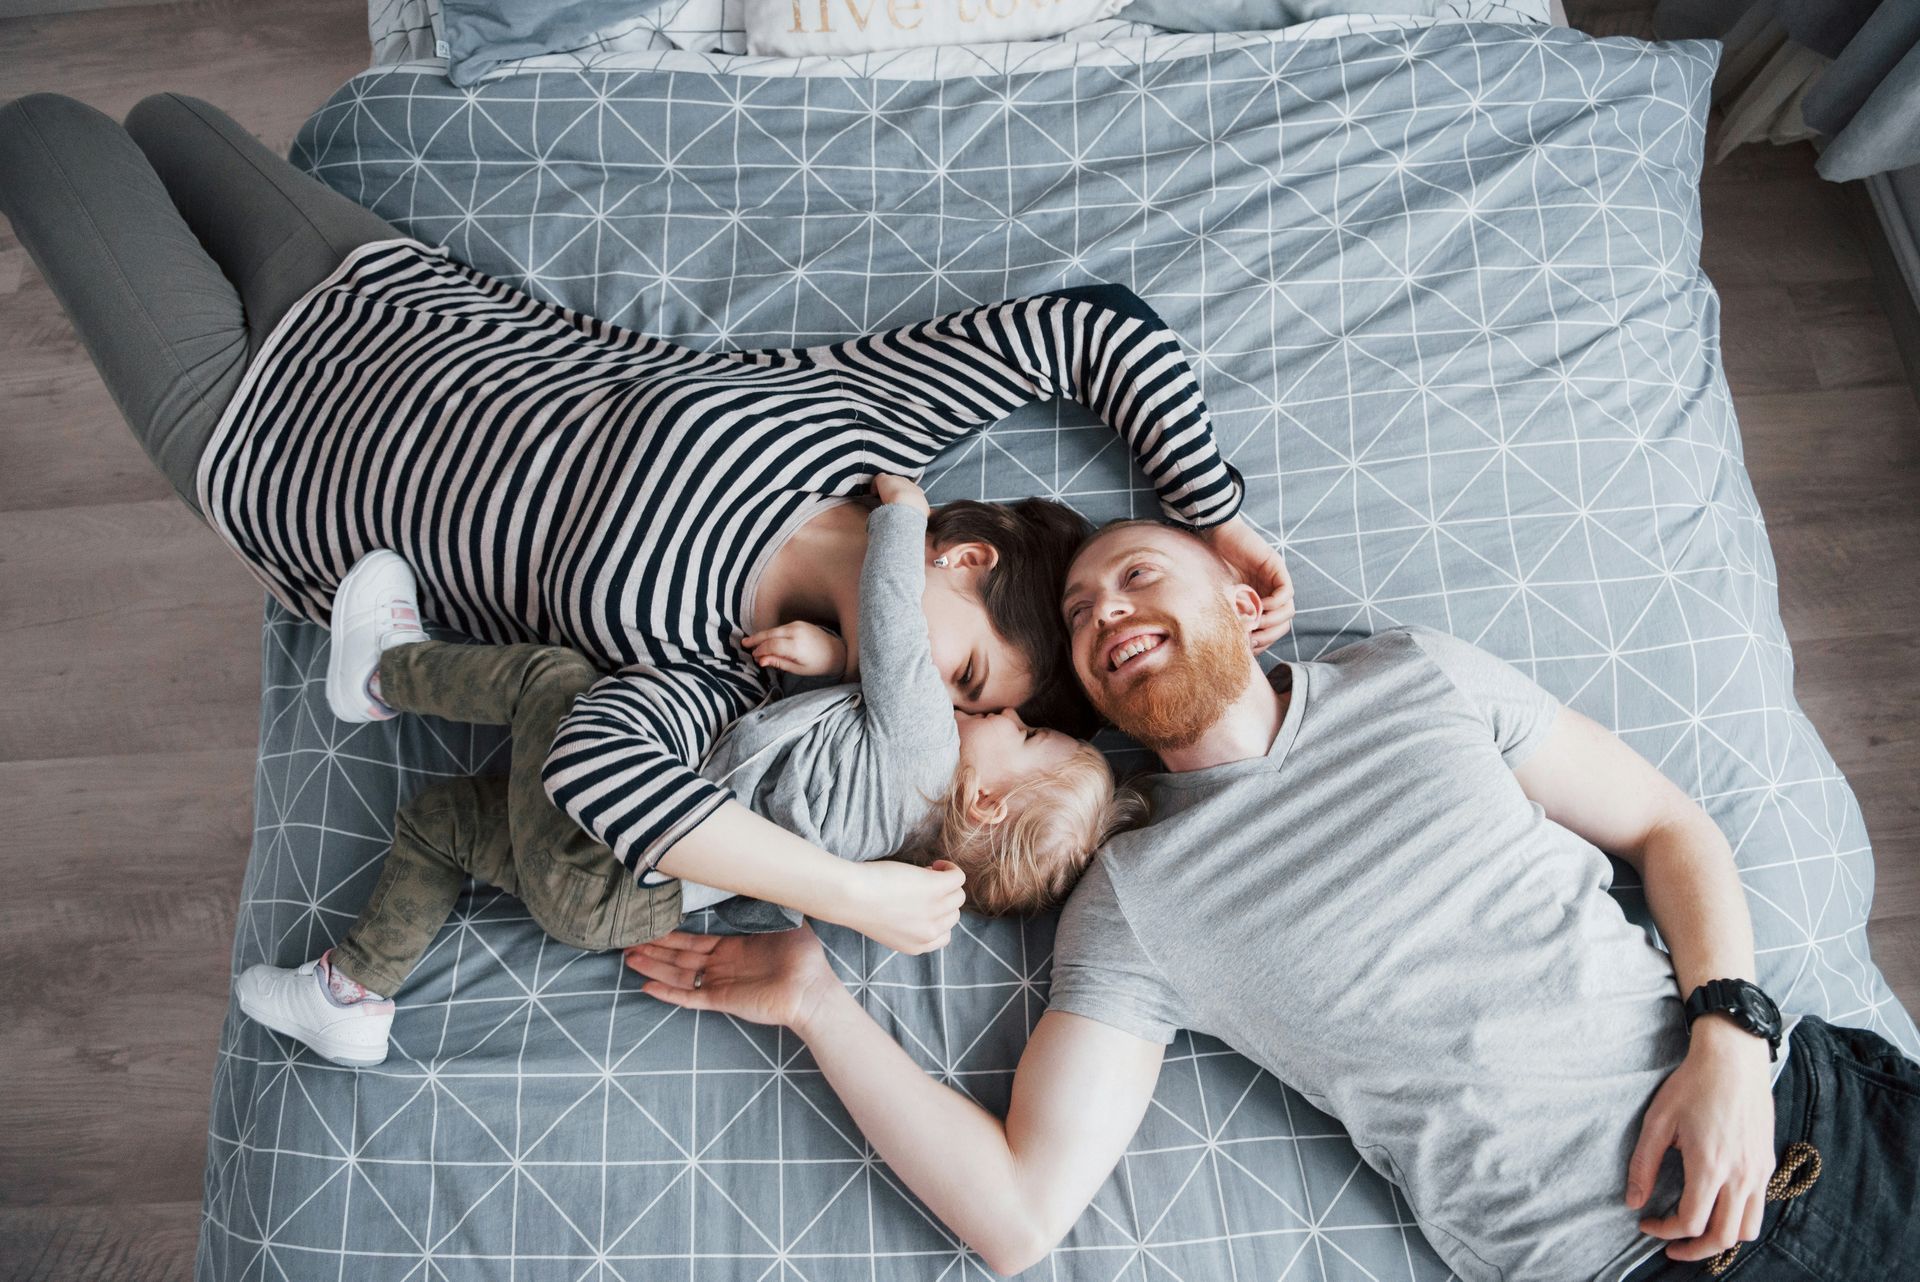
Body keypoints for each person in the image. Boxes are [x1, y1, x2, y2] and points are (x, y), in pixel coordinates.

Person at [0, 92, 1294, 954]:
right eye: (963, 675)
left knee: (48, 130)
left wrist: (850, 892)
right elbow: (1095, 329)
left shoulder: (718, 676)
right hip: (387, 297)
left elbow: (599, 777)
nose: (932, 715)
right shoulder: (865, 428)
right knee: (171, 119)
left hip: (272, 450)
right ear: (961, 560)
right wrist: (1216, 521)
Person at [627, 519, 1920, 1282]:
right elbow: (1020, 1215)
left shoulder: (1418, 673)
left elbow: (1666, 825)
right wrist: (817, 1004)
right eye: (1078, 615)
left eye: (1139, 574)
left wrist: (1732, 1039)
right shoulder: (1136, 898)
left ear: (1247, 597)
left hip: (1810, 1121)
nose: (1107, 611)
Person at [235, 477, 1135, 1068]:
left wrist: (903, 510)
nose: (1005, 715)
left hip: (612, 846)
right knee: (442, 821)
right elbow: (840, 727)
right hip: (614, 904)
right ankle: (350, 992)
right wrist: (824, 654)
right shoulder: (892, 853)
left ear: (981, 797)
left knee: (555, 681)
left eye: (1022, 734)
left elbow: (895, 627)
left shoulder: (928, 750)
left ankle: (383, 671)